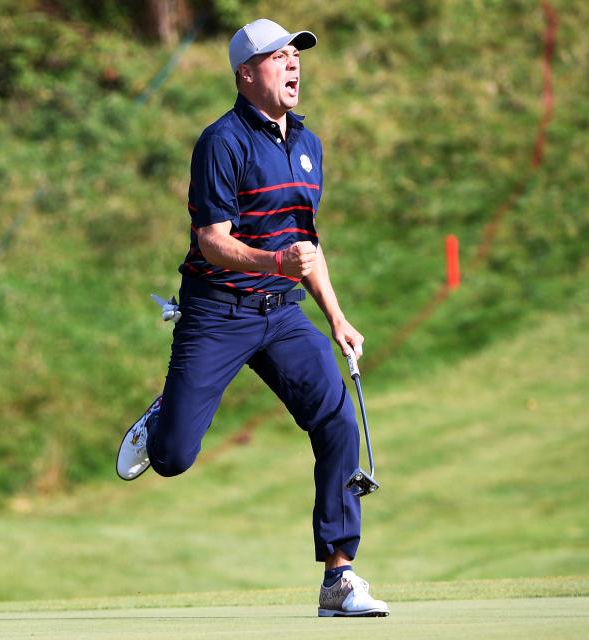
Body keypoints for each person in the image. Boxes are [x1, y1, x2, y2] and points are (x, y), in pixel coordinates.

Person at [116, 18, 389, 618]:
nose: (293, 65)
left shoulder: (309, 145)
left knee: (337, 419)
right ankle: (164, 418)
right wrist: (275, 260)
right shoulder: (221, 142)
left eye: (297, 55)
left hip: (282, 314)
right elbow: (213, 241)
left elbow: (305, 248)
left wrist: (337, 318)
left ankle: (339, 577)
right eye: (279, 56)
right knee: (173, 458)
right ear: (246, 74)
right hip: (216, 312)